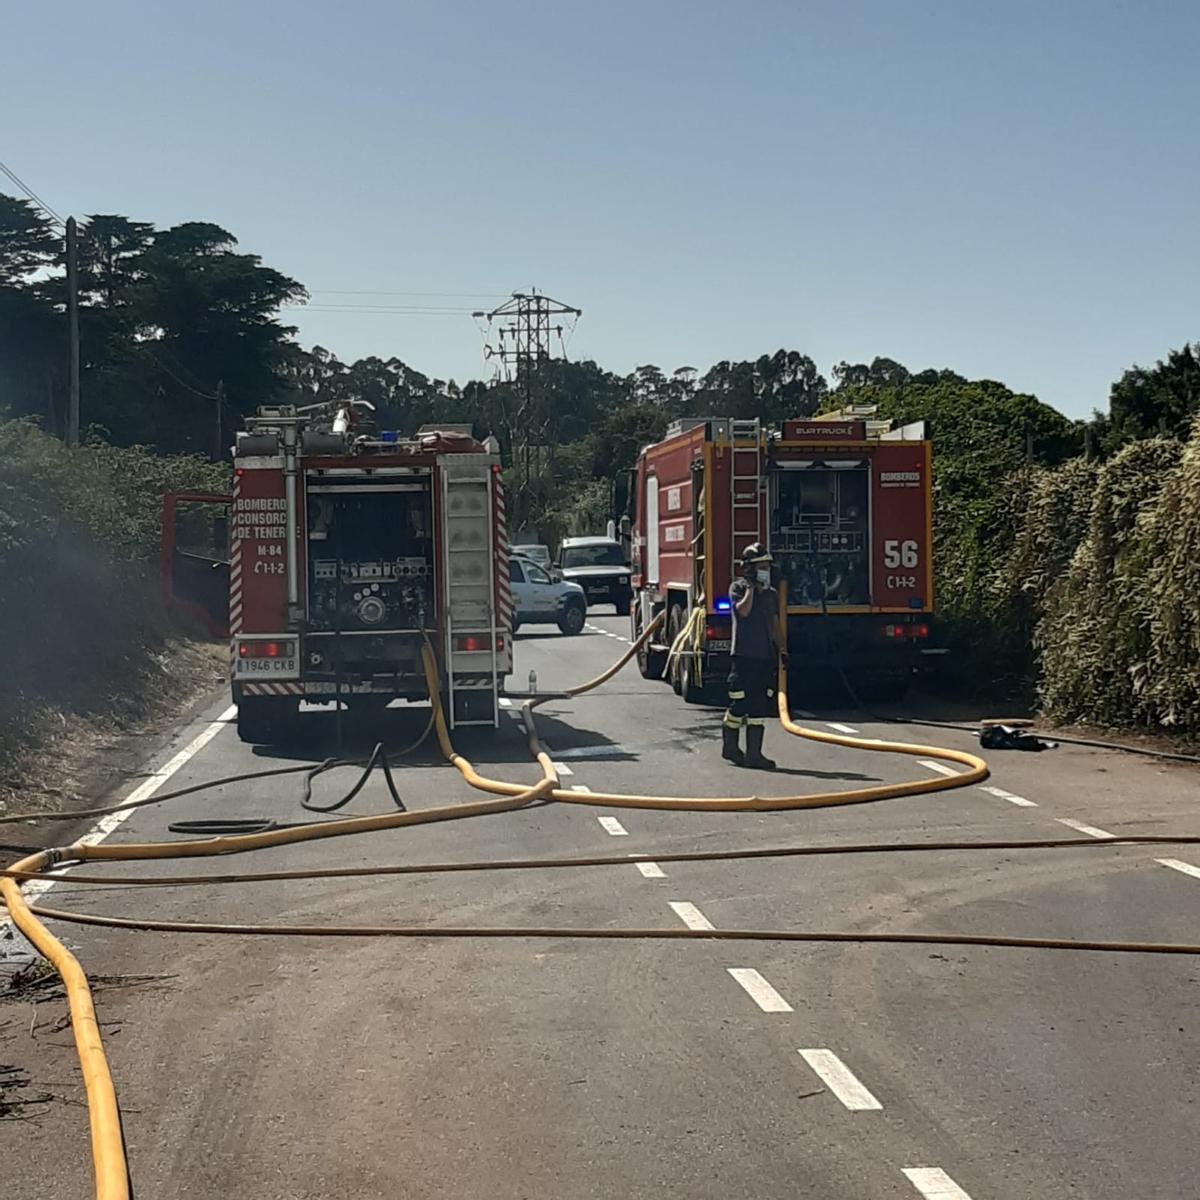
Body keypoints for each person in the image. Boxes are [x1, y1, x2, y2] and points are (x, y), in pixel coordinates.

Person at [722, 542, 782, 769]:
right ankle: (730, 748)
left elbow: (775, 625)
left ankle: (754, 754)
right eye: (760, 566)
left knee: (758, 707)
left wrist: (782, 649)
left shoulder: (771, 595)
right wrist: (751, 588)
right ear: (749, 569)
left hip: (763, 658)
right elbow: (743, 612)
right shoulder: (737, 588)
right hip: (743, 658)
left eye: (767, 566)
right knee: (739, 704)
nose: (765, 570)